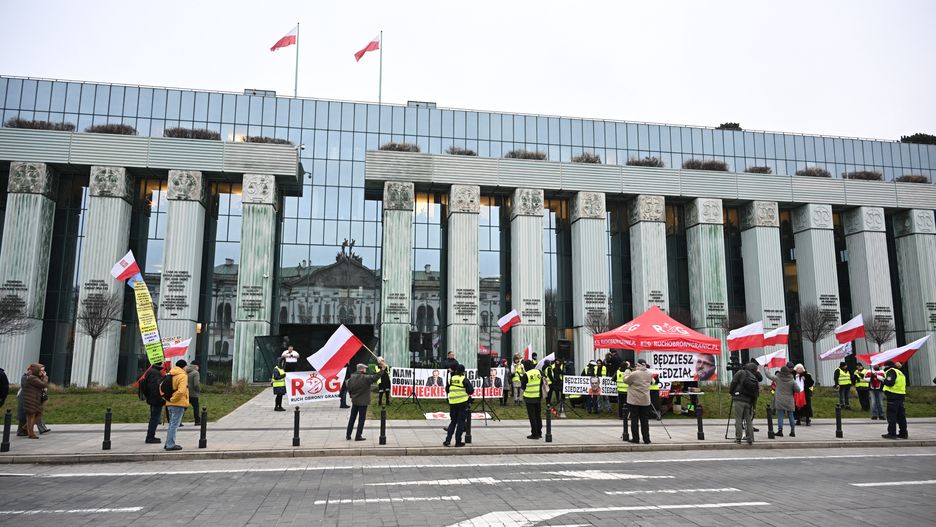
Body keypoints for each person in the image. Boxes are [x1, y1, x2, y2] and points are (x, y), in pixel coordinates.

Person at [346, 363, 381, 441]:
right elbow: (375, 378)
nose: (366, 370)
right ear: (361, 369)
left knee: (352, 418)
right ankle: (358, 436)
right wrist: (382, 370)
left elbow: (348, 386)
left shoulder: (352, 377)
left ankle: (348, 435)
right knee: (361, 419)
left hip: (355, 401)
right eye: (365, 368)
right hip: (363, 402)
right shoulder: (365, 378)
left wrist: (352, 396)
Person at [763, 365, 801, 437]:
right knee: (791, 416)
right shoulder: (792, 380)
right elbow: (798, 390)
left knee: (780, 416)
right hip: (789, 400)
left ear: (781, 371)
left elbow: (768, 375)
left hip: (780, 400)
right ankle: (792, 431)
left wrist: (766, 368)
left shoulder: (777, 378)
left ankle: (780, 431)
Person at [162, 359, 189, 451]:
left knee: (171, 424)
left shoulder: (169, 374)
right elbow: (181, 391)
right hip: (178, 403)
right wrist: (173, 399)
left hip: (169, 403)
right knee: (174, 425)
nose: (187, 367)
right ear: (183, 366)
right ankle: (170, 444)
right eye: (186, 366)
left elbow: (161, 387)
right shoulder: (182, 376)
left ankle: (168, 443)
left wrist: (167, 399)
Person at [444, 363, 474, 447]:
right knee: (460, 423)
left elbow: (447, 389)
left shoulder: (451, 379)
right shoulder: (464, 379)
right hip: (462, 403)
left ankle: (447, 440)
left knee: (453, 422)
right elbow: (471, 391)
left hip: (452, 403)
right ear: (463, 372)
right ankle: (458, 442)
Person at [623, 360, 652, 444]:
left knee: (634, 420)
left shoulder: (635, 373)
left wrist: (627, 372)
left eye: (636, 365)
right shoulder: (649, 374)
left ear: (638, 365)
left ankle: (636, 438)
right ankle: (646, 439)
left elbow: (626, 380)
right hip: (645, 400)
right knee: (644, 421)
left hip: (634, 400)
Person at [881, 360, 908, 439]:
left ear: (887, 366)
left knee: (891, 416)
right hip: (901, 396)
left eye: (885, 366)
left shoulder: (891, 371)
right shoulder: (900, 372)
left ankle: (892, 433)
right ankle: (903, 433)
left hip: (893, 396)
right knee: (901, 416)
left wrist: (883, 380)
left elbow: (890, 382)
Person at [20, 364, 48, 439]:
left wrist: (42, 377)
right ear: (36, 370)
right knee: (31, 416)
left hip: (35, 399)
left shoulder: (35, 377)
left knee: (38, 414)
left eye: (43, 370)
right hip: (31, 400)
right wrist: (45, 377)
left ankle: (26, 427)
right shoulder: (32, 378)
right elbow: (43, 384)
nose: (43, 372)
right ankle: (31, 434)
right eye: (41, 370)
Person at [140, 364, 165, 444]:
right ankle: (150, 437)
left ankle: (150, 436)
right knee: (155, 418)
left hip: (152, 398)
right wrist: (160, 400)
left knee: (154, 418)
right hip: (156, 400)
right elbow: (155, 388)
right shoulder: (155, 373)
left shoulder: (151, 371)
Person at [519, 360, 543, 439]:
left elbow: (523, 387)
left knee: (532, 416)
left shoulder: (526, 375)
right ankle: (539, 432)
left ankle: (534, 434)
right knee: (538, 415)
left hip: (529, 398)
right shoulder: (539, 372)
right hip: (538, 397)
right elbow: (544, 380)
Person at [187, 360, 201, 425]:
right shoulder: (196, 373)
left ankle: (179, 420)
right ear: (196, 366)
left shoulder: (185, 371)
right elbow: (196, 384)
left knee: (184, 407)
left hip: (186, 392)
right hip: (194, 393)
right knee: (196, 407)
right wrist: (198, 390)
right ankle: (197, 421)